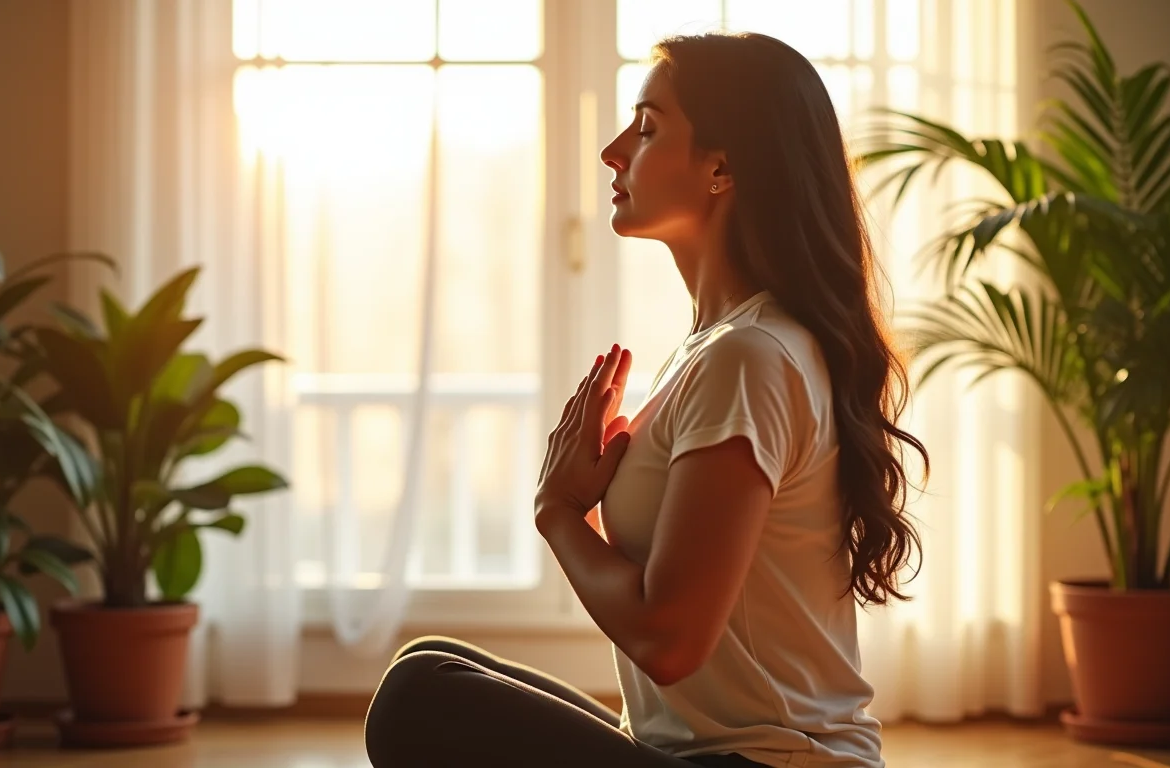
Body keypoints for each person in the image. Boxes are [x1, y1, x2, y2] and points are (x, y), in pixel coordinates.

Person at [364, 32, 928, 768]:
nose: (613, 150)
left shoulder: (749, 357)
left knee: (419, 693)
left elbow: (669, 637)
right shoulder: (722, 346)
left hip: (771, 764)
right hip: (691, 751)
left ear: (722, 167)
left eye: (649, 126)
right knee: (433, 658)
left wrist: (560, 515)